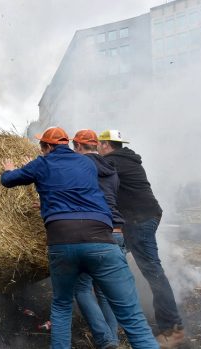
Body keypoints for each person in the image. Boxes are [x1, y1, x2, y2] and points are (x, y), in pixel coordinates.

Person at [0, 127, 158, 349]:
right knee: (132, 317)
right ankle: (110, 340)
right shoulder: (87, 163)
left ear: (46, 147)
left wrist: (12, 169)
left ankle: (100, 340)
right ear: (68, 144)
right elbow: (78, 191)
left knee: (62, 306)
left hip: (62, 242)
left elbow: (8, 180)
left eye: (41, 146)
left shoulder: (42, 163)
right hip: (102, 239)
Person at [98, 130, 184, 349]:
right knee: (113, 260)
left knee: (152, 271)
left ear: (106, 145)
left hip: (139, 220)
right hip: (142, 217)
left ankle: (172, 329)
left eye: (99, 144)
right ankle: (116, 318)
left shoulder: (112, 162)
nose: (97, 148)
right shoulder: (128, 159)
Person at [71, 130, 126, 349]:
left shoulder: (79, 167)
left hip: (94, 232)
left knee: (82, 287)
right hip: (117, 232)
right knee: (104, 291)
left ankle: (105, 339)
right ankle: (111, 339)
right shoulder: (112, 170)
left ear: (78, 146)